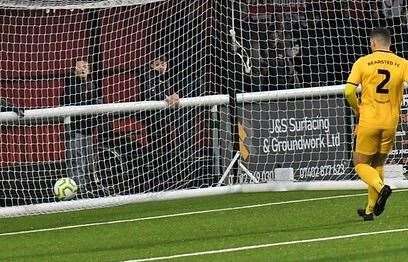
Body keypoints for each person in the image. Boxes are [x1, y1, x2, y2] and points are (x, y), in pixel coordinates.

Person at [344, 28, 408, 221]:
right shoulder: (403, 63)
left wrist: (358, 109)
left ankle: (382, 189)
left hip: (369, 119)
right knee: (378, 162)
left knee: (360, 163)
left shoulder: (363, 62)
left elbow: (348, 91)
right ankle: (370, 210)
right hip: (390, 121)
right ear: (390, 44)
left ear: (373, 43)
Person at [61, 60, 102, 196]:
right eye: (81, 66)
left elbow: (96, 100)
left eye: (86, 66)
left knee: (87, 159)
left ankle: (87, 187)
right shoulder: (71, 84)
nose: (84, 69)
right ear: (75, 70)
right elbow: (69, 101)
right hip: (74, 127)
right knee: (76, 159)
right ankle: (77, 190)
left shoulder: (92, 84)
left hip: (88, 127)